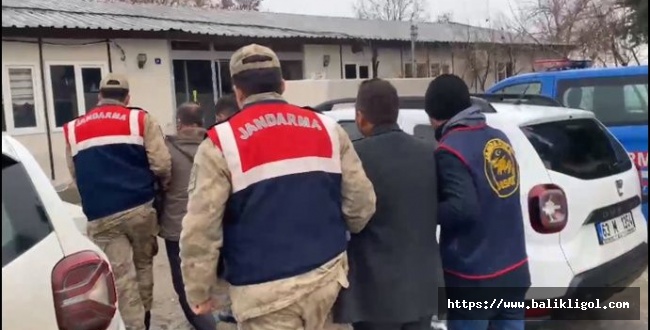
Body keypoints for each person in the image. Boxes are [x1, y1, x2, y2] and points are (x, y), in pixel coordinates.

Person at [179, 43, 377, 330]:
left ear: (238, 91)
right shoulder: (328, 129)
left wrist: (199, 291)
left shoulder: (221, 143)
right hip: (327, 282)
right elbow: (362, 206)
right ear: (282, 85)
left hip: (264, 297)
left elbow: (200, 229)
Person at [332, 79, 445, 330]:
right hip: (422, 289)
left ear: (360, 117)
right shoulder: (429, 153)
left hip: (374, 295)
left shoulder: (355, 157)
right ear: (396, 113)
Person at [63, 73, 172, 330]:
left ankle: (134, 325)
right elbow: (162, 164)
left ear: (99, 96)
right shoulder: (140, 119)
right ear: (127, 98)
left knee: (122, 277)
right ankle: (144, 316)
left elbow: (75, 174)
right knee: (143, 264)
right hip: (140, 208)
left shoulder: (73, 128)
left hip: (102, 214)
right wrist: (162, 186)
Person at [424, 74, 530, 330]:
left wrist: (425, 211)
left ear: (436, 115)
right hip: (514, 269)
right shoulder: (499, 138)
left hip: (474, 279)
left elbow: (462, 209)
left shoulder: (450, 150)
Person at [158, 102, 217, 330]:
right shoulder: (215, 146)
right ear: (202, 122)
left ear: (179, 123)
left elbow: (159, 178)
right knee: (216, 281)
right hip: (213, 225)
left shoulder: (166, 150)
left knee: (185, 287)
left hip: (177, 229)